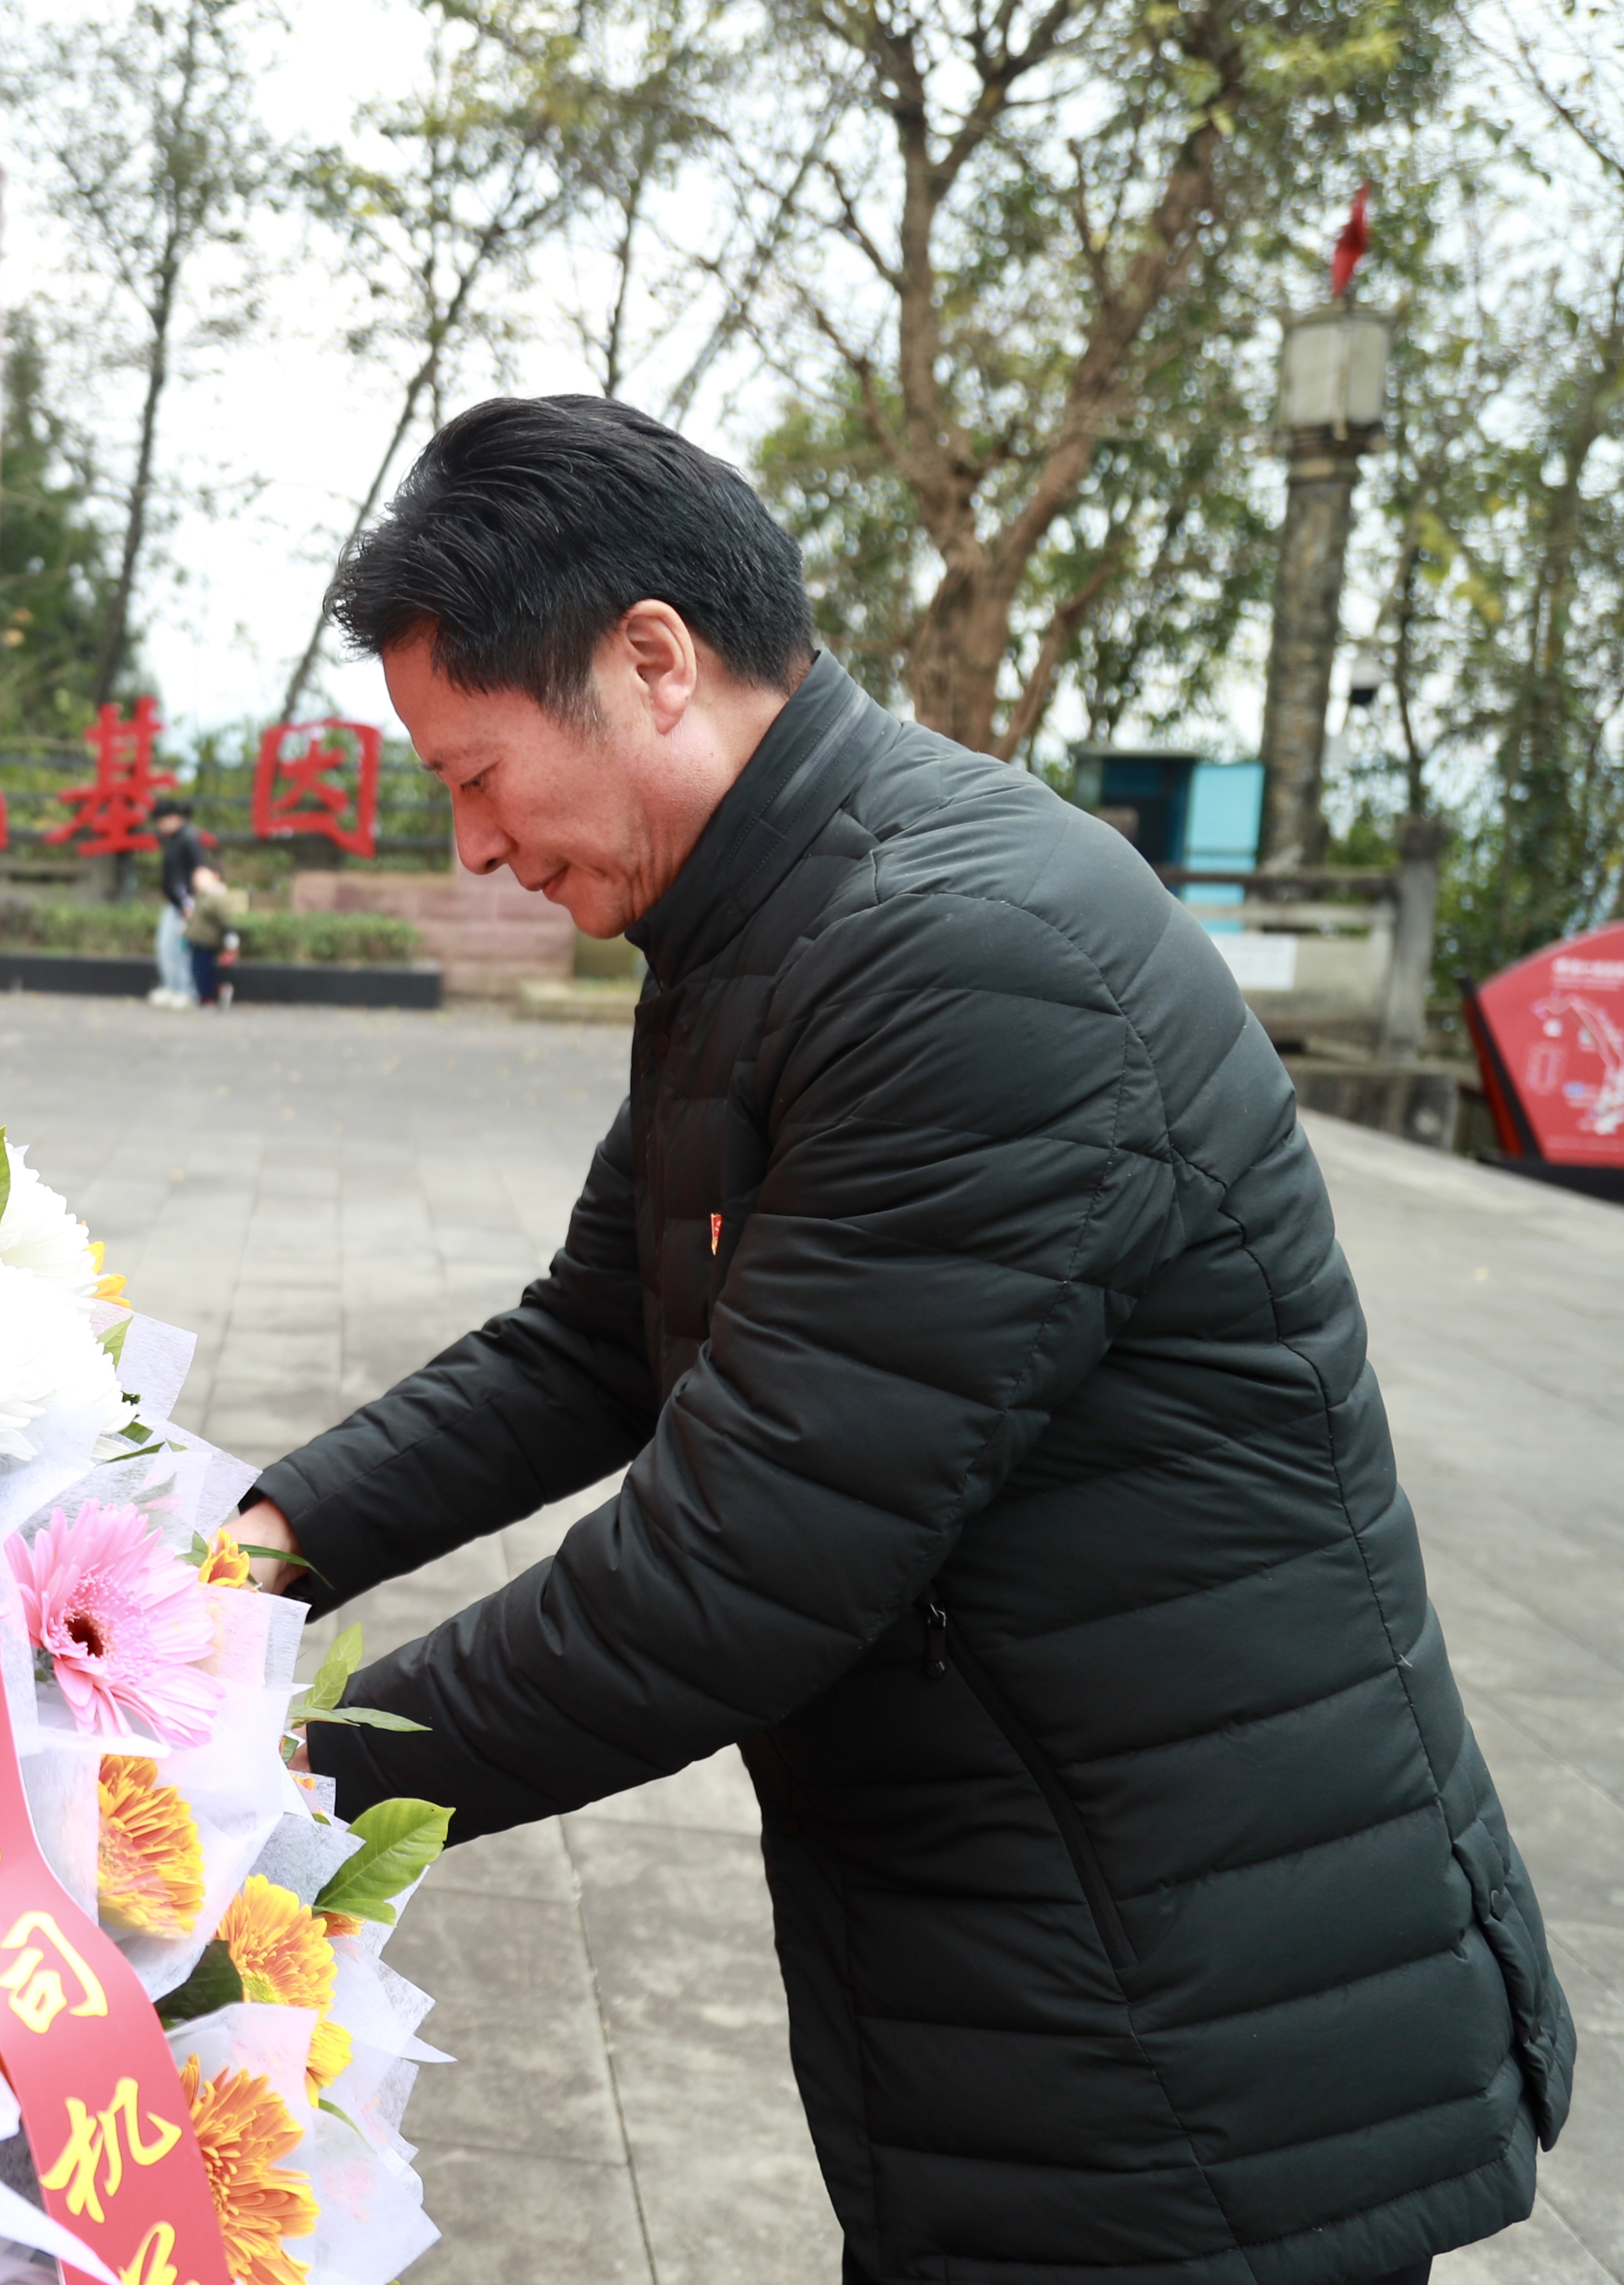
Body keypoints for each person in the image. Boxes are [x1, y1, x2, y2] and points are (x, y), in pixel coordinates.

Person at [236, 395, 1570, 2285]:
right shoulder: (765, 925)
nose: (469, 846)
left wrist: (263, 1799)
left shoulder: (964, 956)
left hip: (1190, 2018)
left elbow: (729, 1571)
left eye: (476, 774)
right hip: (1031, 1949)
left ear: (649, 662)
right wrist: (247, 1549)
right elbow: (586, 1341)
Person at [148, 797, 200, 1008]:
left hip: (185, 905)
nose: (160, 826)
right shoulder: (171, 840)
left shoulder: (189, 838)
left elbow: (197, 872)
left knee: (182, 950)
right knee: (166, 947)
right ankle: (171, 987)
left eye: (163, 821)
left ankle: (186, 991)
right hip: (173, 903)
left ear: (175, 818)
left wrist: (188, 903)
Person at [181, 864, 242, 1006]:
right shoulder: (200, 897)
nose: (196, 881)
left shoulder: (216, 898)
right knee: (198, 970)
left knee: (204, 970)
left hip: (207, 941)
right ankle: (208, 994)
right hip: (196, 940)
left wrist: (231, 940)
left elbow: (226, 920)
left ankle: (211, 995)